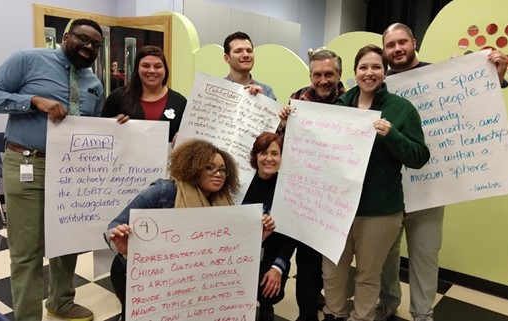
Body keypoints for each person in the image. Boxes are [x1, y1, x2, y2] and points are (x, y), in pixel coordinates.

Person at [376, 22, 508, 321]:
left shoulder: (442, 77)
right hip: (389, 189)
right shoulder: (378, 84)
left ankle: (423, 314)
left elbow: (477, 106)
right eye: (390, 45)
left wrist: (494, 77)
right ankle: (387, 302)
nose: (397, 49)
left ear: (413, 42)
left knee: (424, 255)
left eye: (402, 42)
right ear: (385, 51)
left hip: (430, 186)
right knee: (386, 254)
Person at [0, 18, 104, 321]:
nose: (88, 47)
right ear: (66, 37)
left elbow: (94, 127)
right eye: (83, 39)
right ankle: (27, 317)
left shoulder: (93, 84)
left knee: (67, 240)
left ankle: (60, 302)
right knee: (26, 250)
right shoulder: (27, 60)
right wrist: (33, 101)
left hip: (71, 171)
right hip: (27, 163)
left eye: (95, 45)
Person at [105, 139, 276, 320]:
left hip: (185, 284)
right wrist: (122, 246)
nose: (218, 174)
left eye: (223, 169)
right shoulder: (164, 191)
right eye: (209, 168)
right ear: (193, 168)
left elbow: (229, 249)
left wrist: (259, 237)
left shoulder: (224, 201)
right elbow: (112, 228)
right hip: (136, 278)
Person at [321, 44, 430, 321]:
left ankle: (362, 318)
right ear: (355, 73)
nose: (370, 73)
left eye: (376, 67)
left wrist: (392, 135)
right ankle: (334, 314)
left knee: (368, 276)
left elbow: (419, 157)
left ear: (385, 72)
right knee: (332, 271)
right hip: (338, 209)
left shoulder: (401, 109)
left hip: (380, 211)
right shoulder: (340, 106)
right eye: (363, 67)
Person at [278, 48, 346, 321]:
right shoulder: (298, 98)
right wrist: (282, 123)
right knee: (306, 261)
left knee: (332, 264)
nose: (323, 80)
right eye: (317, 74)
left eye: (329, 74)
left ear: (339, 75)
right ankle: (306, 315)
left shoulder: (352, 102)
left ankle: (333, 311)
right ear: (310, 75)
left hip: (338, 198)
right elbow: (281, 142)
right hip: (305, 194)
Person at [242, 132, 296, 321]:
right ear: (255, 156)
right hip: (242, 252)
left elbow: (291, 237)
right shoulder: (241, 184)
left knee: (269, 290)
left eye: (275, 153)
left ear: (282, 158)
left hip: (272, 254)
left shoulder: (288, 189)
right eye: (263, 153)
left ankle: (266, 308)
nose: (269, 159)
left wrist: (278, 268)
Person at [102, 46, 186, 143]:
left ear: (165, 70)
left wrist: (183, 138)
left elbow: (190, 140)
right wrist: (110, 124)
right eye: (145, 66)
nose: (152, 71)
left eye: (158, 66)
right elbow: (100, 133)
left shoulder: (179, 102)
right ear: (137, 69)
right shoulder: (118, 97)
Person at [223, 31, 277, 99]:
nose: (246, 55)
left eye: (249, 51)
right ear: (227, 58)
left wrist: (262, 100)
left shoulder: (267, 91)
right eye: (238, 51)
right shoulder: (216, 90)